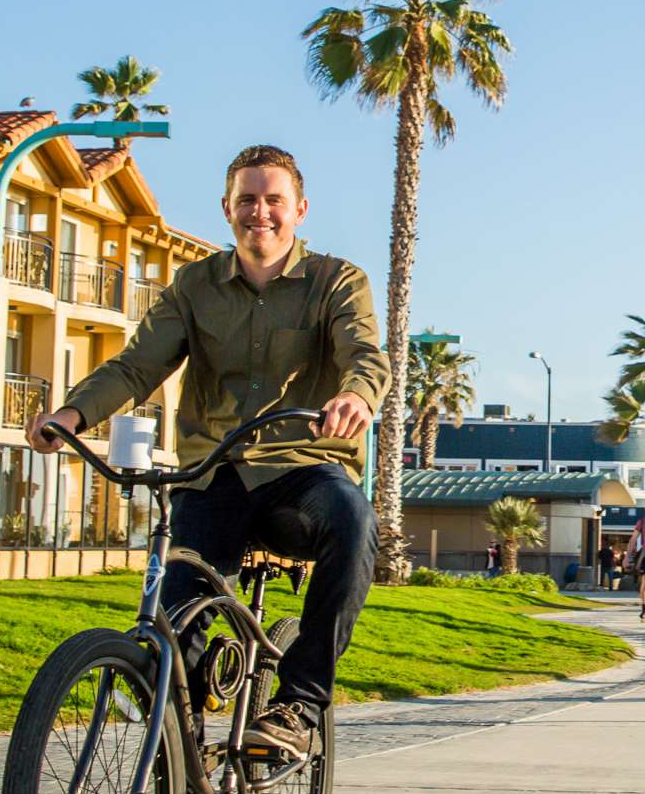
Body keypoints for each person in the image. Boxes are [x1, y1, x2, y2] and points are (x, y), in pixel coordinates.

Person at [28, 143, 383, 760]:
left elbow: (363, 353)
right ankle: (178, 782)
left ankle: (298, 703)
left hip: (300, 474)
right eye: (247, 199)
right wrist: (72, 414)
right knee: (175, 635)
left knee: (353, 524)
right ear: (227, 208)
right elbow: (138, 366)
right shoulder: (193, 286)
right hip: (212, 473)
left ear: (299, 209)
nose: (260, 212)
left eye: (274, 200)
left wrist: (356, 395)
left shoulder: (337, 281)